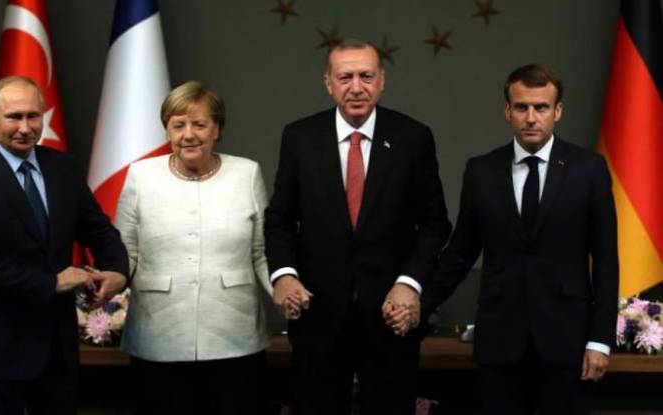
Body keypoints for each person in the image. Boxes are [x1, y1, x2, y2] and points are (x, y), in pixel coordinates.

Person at [264, 39, 452, 414]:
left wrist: (409, 283)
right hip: (318, 317)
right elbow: (280, 219)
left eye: (366, 76)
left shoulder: (413, 137)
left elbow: (435, 224)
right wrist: (284, 276)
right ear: (328, 83)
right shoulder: (300, 137)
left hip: (390, 317)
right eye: (345, 77)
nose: (356, 87)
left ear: (382, 80)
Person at [421, 64, 618, 415]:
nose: (531, 118)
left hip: (566, 342)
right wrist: (418, 307)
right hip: (501, 341)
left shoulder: (588, 170)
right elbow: (461, 253)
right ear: (507, 111)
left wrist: (600, 339)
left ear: (558, 111)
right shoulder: (481, 170)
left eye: (541, 107)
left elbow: (605, 260)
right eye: (521, 107)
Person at [0, 75, 129, 415]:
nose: (25, 127)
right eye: (14, 117)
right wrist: (53, 282)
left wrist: (118, 270)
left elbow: (99, 230)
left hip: (56, 353)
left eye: (33, 116)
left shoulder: (64, 168)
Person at [115, 81, 272, 415]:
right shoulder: (141, 175)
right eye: (178, 125)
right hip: (158, 334)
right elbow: (125, 252)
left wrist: (285, 294)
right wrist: (108, 283)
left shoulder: (246, 173)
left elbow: (261, 252)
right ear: (167, 130)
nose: (188, 135)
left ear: (217, 129)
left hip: (235, 334)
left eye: (199, 124)